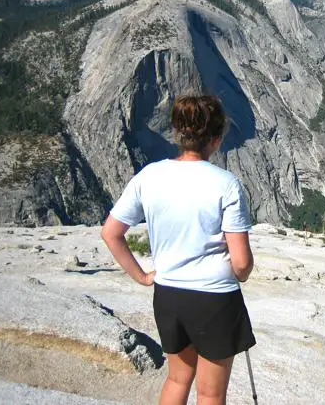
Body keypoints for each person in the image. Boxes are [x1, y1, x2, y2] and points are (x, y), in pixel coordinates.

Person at [101, 94, 256, 405]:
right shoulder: (226, 184)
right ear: (215, 139)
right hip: (214, 299)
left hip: (169, 295)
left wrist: (144, 277)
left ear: (179, 133)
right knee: (210, 393)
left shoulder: (150, 176)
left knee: (176, 379)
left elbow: (111, 233)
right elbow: (241, 263)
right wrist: (244, 272)